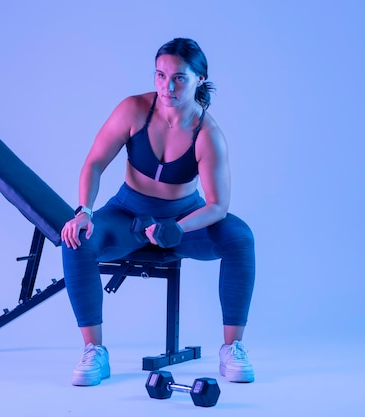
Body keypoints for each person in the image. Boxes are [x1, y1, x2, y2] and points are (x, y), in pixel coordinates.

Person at [60, 38, 256, 387]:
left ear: (199, 79)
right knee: (77, 239)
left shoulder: (208, 134)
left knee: (240, 238)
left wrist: (178, 228)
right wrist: (84, 211)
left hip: (186, 218)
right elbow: (93, 163)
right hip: (127, 214)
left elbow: (217, 206)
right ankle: (94, 352)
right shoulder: (134, 110)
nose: (168, 86)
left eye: (179, 77)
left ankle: (232, 347)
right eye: (160, 75)